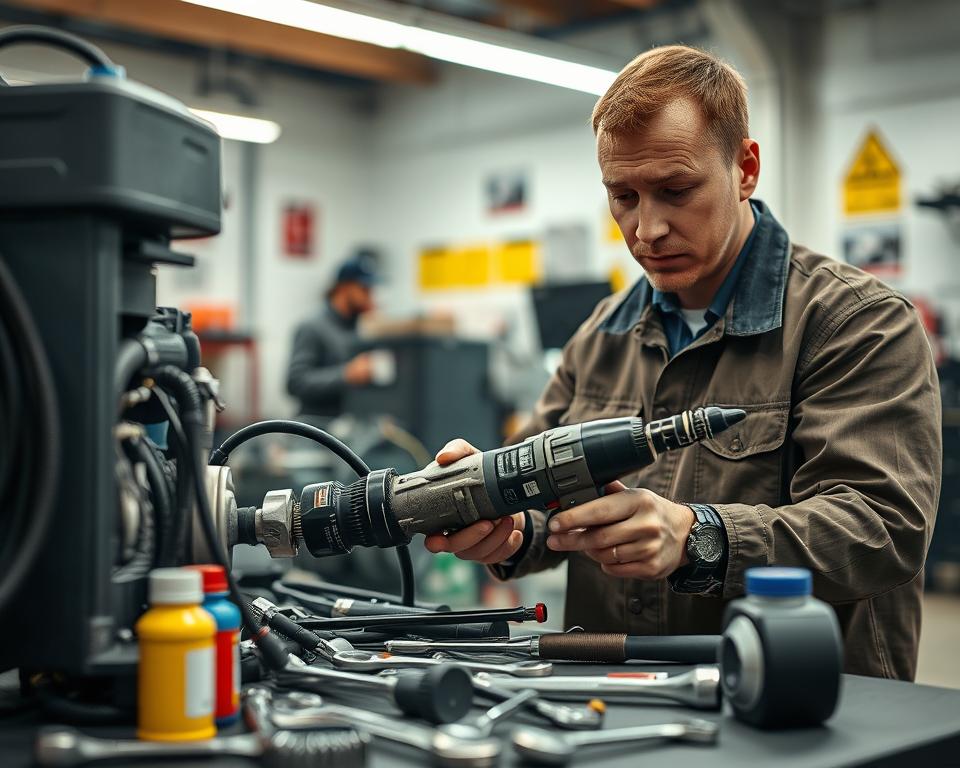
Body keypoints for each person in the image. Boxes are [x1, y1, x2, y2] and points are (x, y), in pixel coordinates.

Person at [424, 45, 941, 680]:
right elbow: (542, 504)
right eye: (623, 196)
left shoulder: (857, 323)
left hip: (797, 702)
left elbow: (882, 529)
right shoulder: (600, 337)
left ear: (745, 169)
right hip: (614, 696)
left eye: (675, 190)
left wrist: (698, 537)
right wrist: (502, 525)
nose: (647, 229)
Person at [286, 253, 378, 418]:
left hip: (351, 427)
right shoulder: (312, 327)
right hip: (317, 430)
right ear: (344, 288)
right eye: (364, 289)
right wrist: (346, 375)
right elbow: (295, 383)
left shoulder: (360, 327)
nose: (370, 297)